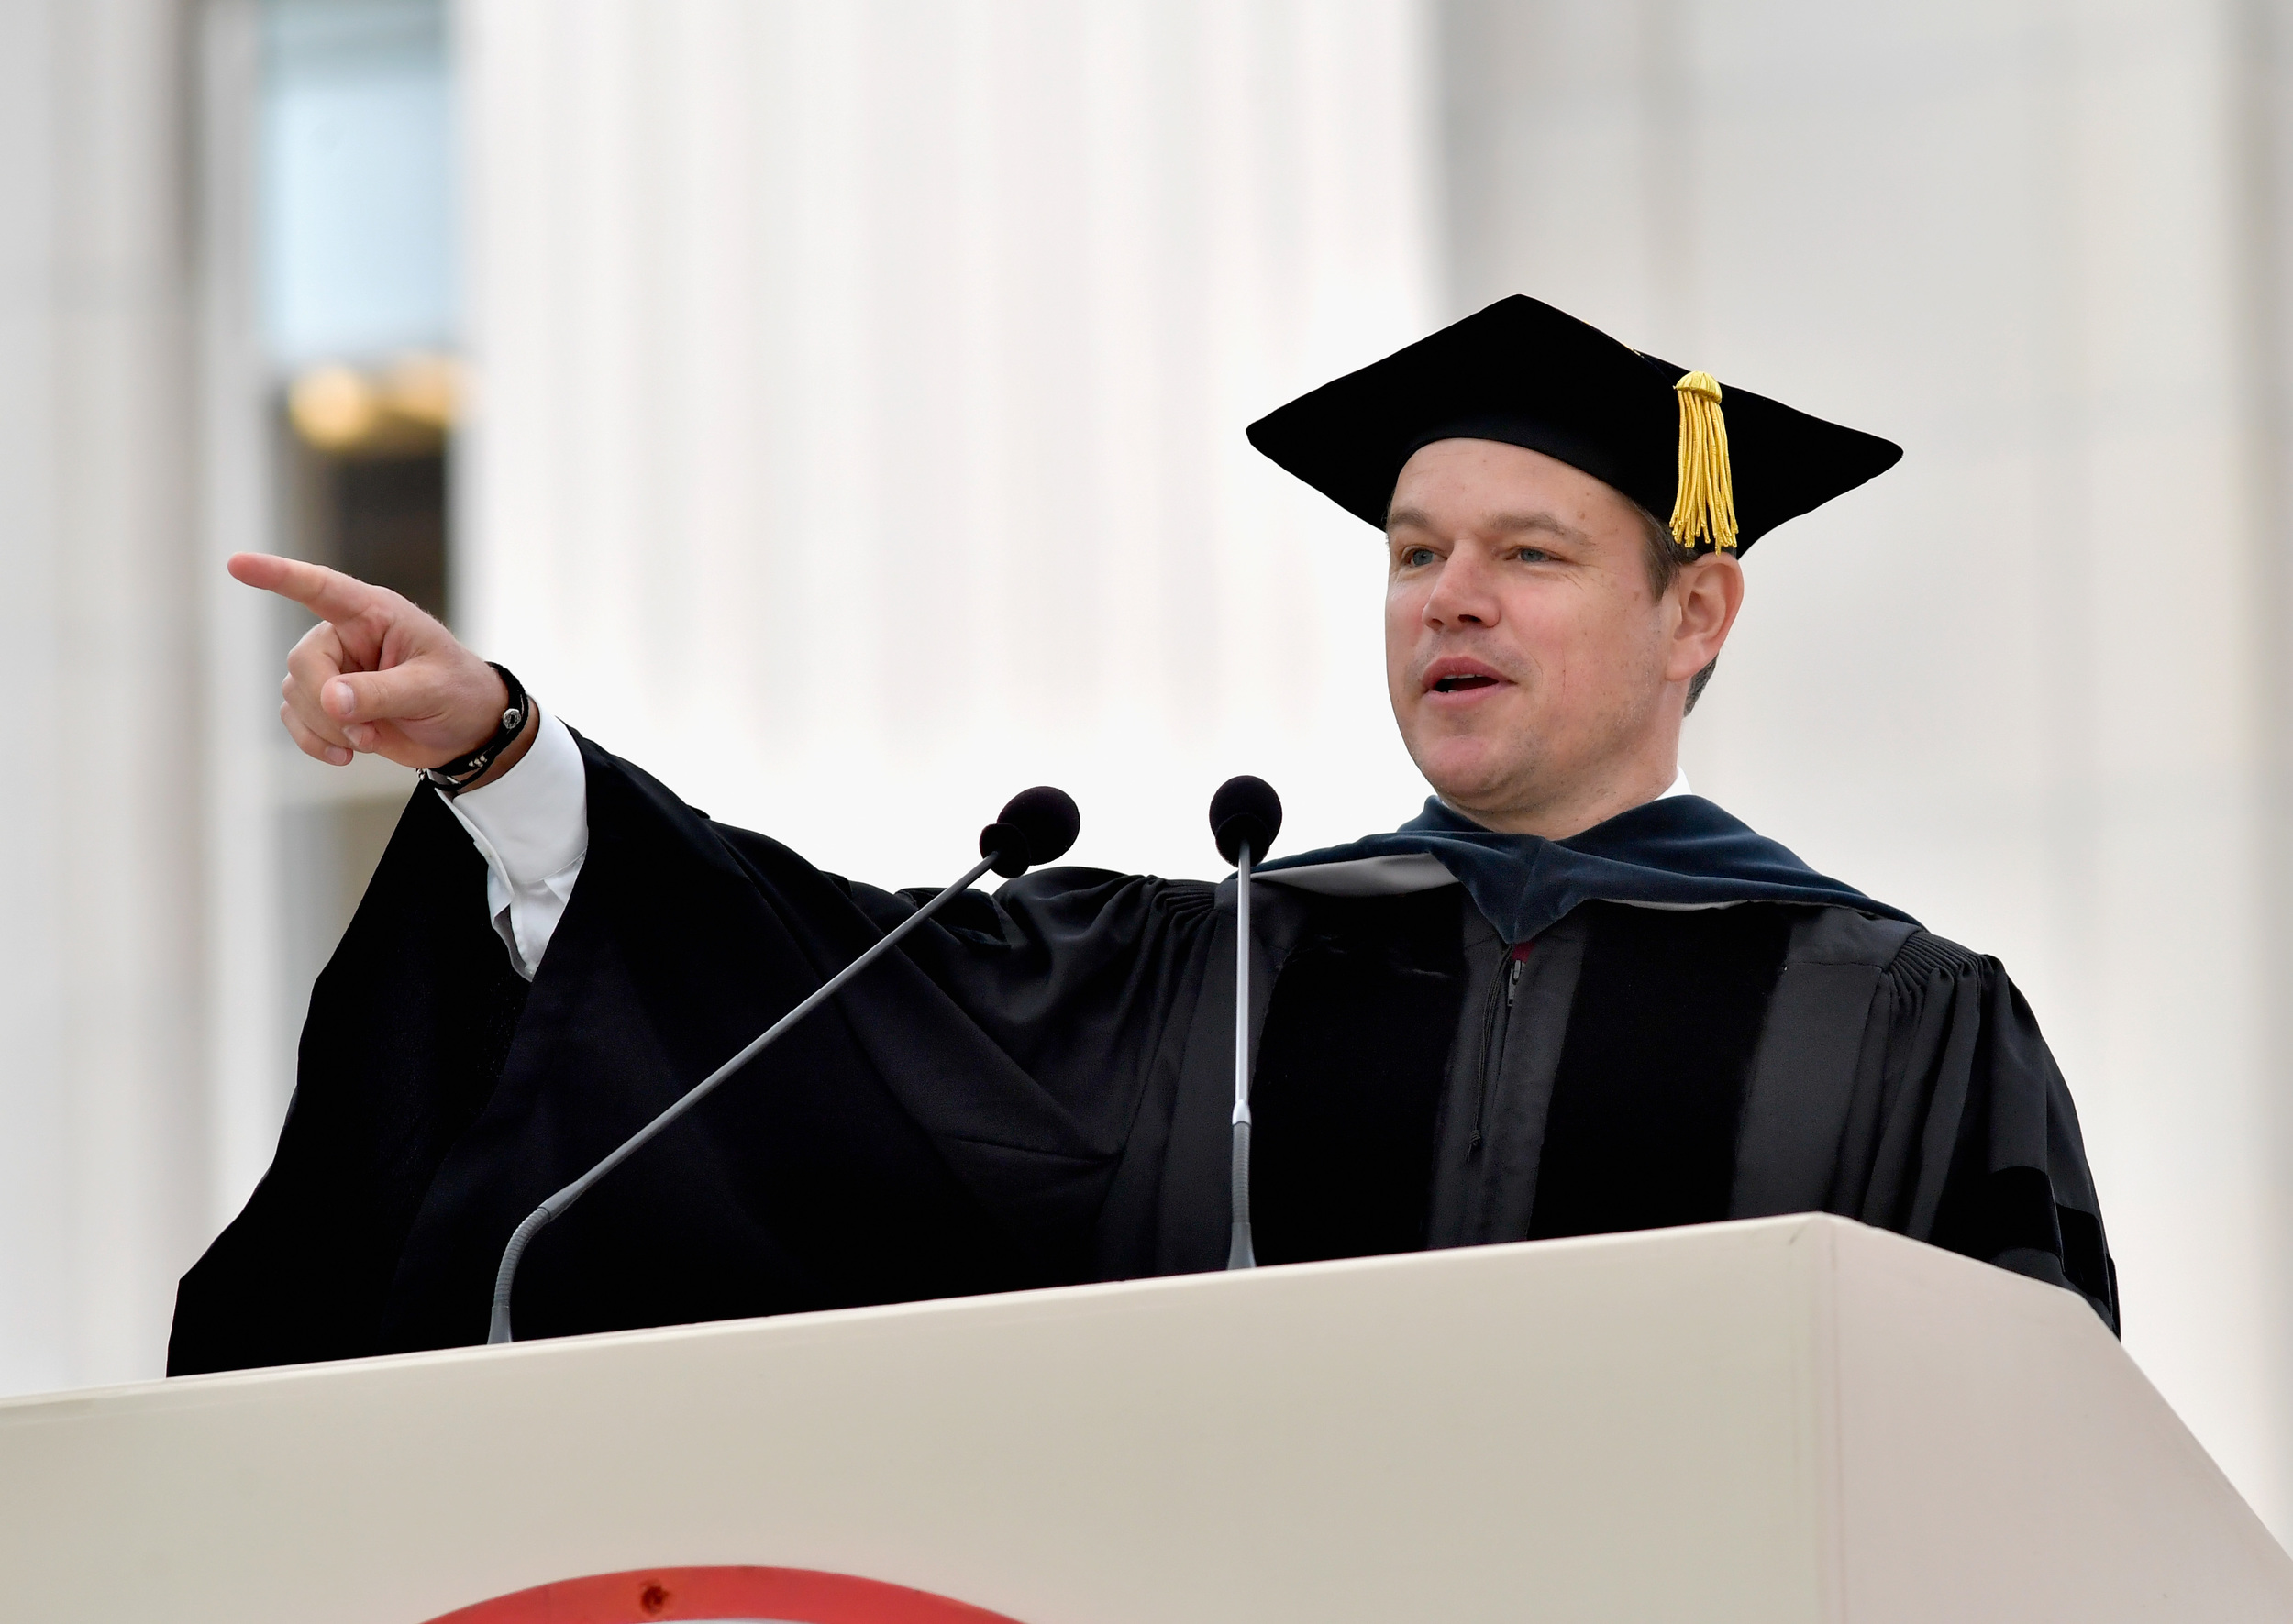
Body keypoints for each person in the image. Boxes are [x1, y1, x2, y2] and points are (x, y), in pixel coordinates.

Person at [168, 296, 2116, 1375]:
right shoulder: (1224, 974)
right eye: (1412, 555)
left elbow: (2017, 1465)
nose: (1446, 598)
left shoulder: (1905, 1023)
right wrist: (507, 753)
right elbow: (806, 995)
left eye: (1526, 556)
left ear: (1692, 616)